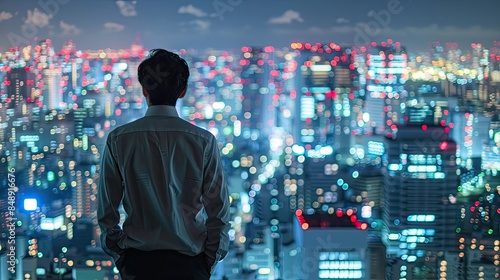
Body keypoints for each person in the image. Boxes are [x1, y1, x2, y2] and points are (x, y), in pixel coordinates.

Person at [97, 49, 230, 279]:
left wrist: (122, 257)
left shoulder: (119, 139)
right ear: (183, 91)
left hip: (138, 264)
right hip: (190, 265)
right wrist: (206, 262)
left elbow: (107, 211)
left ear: (144, 90)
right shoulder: (203, 141)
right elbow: (218, 214)